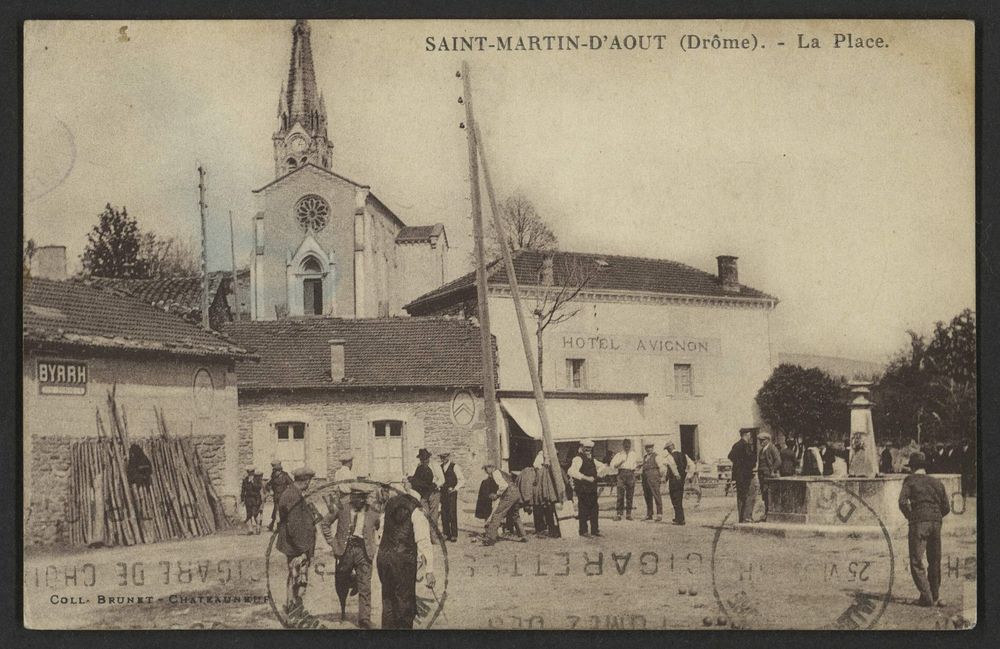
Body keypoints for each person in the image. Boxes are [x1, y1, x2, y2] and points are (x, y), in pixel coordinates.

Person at [377, 481, 437, 629]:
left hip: (384, 558)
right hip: (402, 562)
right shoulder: (416, 512)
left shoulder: (388, 507)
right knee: (404, 602)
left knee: (388, 600)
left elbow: (380, 533)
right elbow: (423, 541)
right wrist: (429, 570)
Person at [898, 452, 951, 607]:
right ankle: (935, 596)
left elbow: (902, 502)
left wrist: (911, 516)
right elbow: (946, 507)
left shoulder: (910, 480)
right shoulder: (937, 482)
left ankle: (926, 596)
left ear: (912, 467)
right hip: (936, 522)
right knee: (934, 560)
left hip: (918, 522)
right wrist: (935, 516)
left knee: (916, 560)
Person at [332, 484, 380, 628]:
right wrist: (333, 543)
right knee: (341, 581)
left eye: (363, 499)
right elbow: (325, 523)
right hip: (345, 550)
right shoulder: (341, 507)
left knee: (365, 585)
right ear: (352, 497)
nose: (361, 501)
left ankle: (364, 619)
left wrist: (372, 541)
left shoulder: (373, 511)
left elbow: (378, 525)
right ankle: (342, 610)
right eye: (357, 498)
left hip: (363, 551)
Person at [276, 466, 317, 613]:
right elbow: (294, 527)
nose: (310, 484)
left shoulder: (293, 493)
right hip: (297, 546)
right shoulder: (293, 496)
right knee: (299, 578)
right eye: (309, 481)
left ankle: (292, 607)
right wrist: (304, 550)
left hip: (295, 545)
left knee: (295, 576)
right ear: (305, 481)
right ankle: (294, 609)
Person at [568, 439, 608, 537]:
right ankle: (583, 531)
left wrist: (598, 475)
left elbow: (603, 466)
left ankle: (595, 530)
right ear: (581, 448)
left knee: (594, 508)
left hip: (592, 487)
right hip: (582, 487)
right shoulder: (578, 459)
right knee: (583, 509)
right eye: (586, 448)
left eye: (589, 448)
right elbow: (571, 471)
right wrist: (586, 478)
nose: (588, 450)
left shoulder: (592, 459)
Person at [482, 462, 526, 546]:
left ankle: (490, 538)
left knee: (497, 514)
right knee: (515, 514)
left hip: (509, 494)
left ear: (491, 467)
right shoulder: (502, 472)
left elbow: (503, 486)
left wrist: (497, 494)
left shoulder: (496, 473)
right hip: (516, 493)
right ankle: (523, 535)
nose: (486, 472)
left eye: (486, 469)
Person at [529, 444, 561, 538]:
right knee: (539, 505)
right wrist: (544, 466)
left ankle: (551, 527)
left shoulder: (552, 457)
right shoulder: (541, 456)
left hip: (549, 483)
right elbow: (536, 466)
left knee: (549, 507)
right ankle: (540, 528)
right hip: (540, 483)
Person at [728, 428, 756, 523]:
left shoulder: (736, 445)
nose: (750, 437)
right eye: (750, 435)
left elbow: (730, 456)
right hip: (746, 474)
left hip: (738, 475)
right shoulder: (746, 445)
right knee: (749, 495)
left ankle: (741, 517)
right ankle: (747, 517)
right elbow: (751, 460)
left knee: (740, 496)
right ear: (747, 434)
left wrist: (738, 463)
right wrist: (749, 464)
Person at [609, 439, 640, 521]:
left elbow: (636, 465)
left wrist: (636, 470)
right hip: (621, 474)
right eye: (625, 445)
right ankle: (619, 514)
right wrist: (619, 463)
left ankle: (629, 514)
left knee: (630, 495)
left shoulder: (633, 454)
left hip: (631, 474)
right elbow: (612, 465)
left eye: (628, 445)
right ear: (623, 445)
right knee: (620, 495)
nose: (627, 447)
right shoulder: (619, 454)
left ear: (630, 445)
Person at [438, 451, 464, 542]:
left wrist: (455, 488)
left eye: (444, 457)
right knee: (444, 512)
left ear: (448, 457)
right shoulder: (440, 467)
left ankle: (454, 534)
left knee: (452, 512)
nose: (443, 459)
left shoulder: (454, 466)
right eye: (441, 457)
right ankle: (446, 533)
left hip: (451, 492)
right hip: (443, 492)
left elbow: (461, 479)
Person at [409, 448, 441, 522]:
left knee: (433, 516)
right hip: (424, 493)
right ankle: (427, 533)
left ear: (428, 458)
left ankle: (433, 533)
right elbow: (416, 479)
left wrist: (435, 485)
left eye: (425, 459)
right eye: (421, 459)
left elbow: (442, 479)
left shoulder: (435, 465)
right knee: (424, 515)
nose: (423, 461)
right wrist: (411, 479)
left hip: (434, 493)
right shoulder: (419, 467)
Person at [756, 431, 781, 522]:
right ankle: (766, 513)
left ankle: (769, 514)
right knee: (764, 495)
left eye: (762, 440)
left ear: (767, 440)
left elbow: (778, 461)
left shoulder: (772, 448)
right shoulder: (761, 450)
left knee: (769, 495)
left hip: (769, 476)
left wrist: (772, 471)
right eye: (760, 440)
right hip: (762, 476)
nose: (760, 442)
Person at [663, 441, 689, 525]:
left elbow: (672, 467)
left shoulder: (670, 457)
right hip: (681, 480)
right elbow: (691, 465)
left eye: (667, 449)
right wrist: (686, 476)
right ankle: (679, 517)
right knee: (679, 498)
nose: (667, 451)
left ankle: (680, 519)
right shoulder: (683, 455)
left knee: (675, 498)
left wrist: (675, 476)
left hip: (674, 480)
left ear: (670, 448)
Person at [640, 441, 665, 522]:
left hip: (654, 477)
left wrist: (661, 477)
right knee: (647, 496)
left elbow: (661, 467)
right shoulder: (644, 457)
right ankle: (649, 514)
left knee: (656, 495)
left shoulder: (656, 456)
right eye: (647, 448)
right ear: (645, 448)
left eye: (650, 447)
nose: (648, 449)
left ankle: (659, 514)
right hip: (645, 478)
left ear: (652, 448)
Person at [267, 460, 294, 532]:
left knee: (284, 510)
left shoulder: (285, 476)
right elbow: (268, 485)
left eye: (276, 471)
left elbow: (291, 484)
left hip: (284, 497)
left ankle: (278, 525)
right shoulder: (273, 476)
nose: (275, 473)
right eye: (274, 471)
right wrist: (270, 490)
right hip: (276, 497)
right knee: (277, 510)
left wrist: (289, 492)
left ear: (280, 471)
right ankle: (276, 526)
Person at [240, 467, 262, 535]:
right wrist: (242, 499)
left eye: (252, 472)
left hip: (256, 498)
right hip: (248, 499)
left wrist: (252, 482)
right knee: (249, 514)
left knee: (256, 513)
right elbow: (243, 490)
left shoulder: (257, 479)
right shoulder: (245, 480)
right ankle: (250, 529)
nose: (250, 474)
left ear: (254, 472)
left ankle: (258, 527)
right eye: (249, 473)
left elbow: (259, 487)